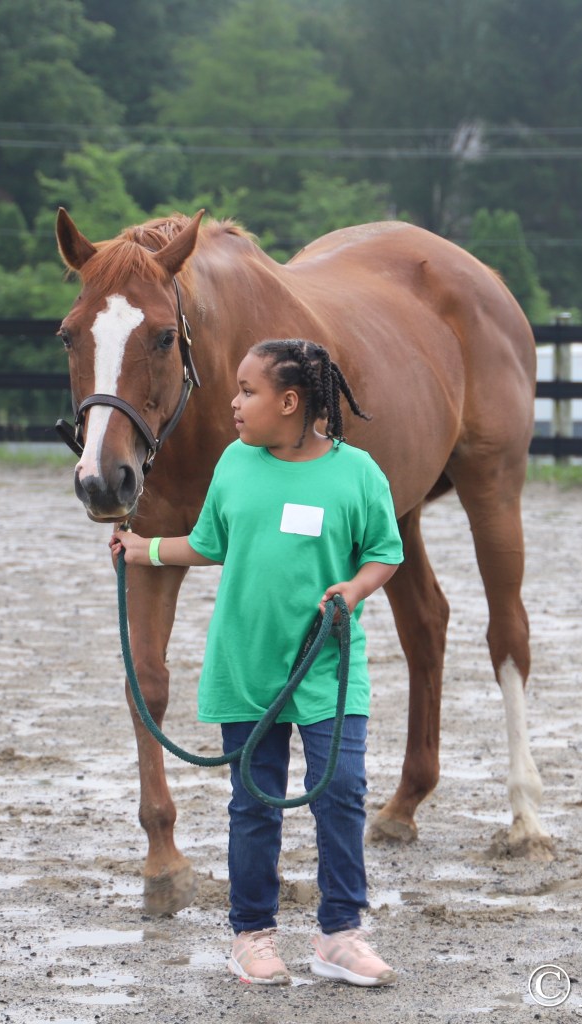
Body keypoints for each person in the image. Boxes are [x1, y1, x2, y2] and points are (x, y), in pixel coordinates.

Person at [110, 338, 404, 987]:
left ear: (291, 401)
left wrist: (353, 591)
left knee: (342, 794)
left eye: (248, 391)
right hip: (246, 669)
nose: (234, 404)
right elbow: (208, 542)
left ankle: (339, 934)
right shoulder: (234, 465)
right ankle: (252, 935)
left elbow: (385, 550)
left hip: (326, 669)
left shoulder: (357, 473)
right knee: (252, 806)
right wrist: (142, 550)